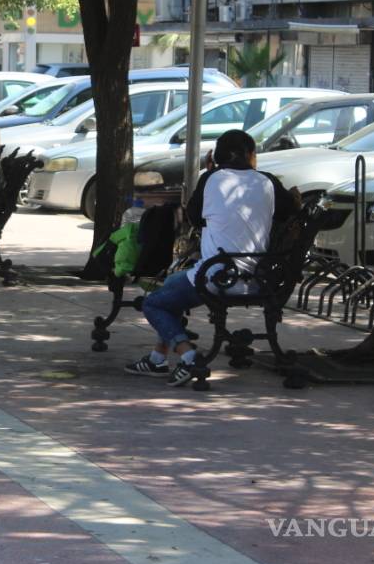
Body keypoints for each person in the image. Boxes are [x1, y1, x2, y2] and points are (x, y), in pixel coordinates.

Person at [124, 129, 298, 387]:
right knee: (171, 286)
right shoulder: (267, 181)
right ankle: (157, 358)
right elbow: (287, 210)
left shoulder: (212, 179)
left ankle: (188, 356)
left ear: (216, 158)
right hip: (257, 277)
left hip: (217, 276)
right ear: (251, 155)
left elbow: (194, 218)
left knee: (154, 304)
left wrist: (209, 173)